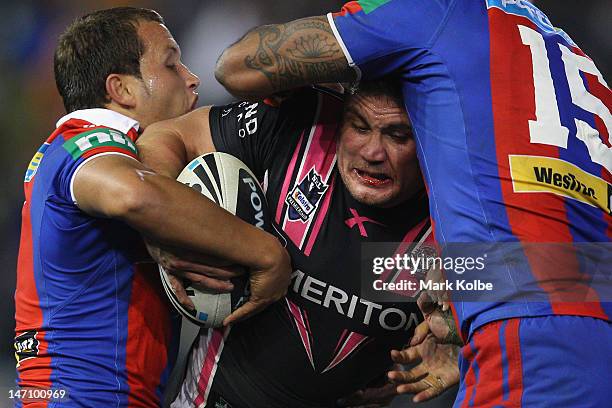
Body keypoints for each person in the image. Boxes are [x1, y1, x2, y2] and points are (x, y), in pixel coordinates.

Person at [213, 1, 612, 406]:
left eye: (398, 135)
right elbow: (585, 267)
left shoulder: (439, 10)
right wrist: (470, 312)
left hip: (529, 348)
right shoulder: (578, 64)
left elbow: (237, 66)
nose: (373, 150)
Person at [14, 7, 290, 407]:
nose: (192, 79)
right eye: (172, 64)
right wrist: (267, 255)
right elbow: (136, 196)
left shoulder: (89, 152)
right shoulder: (77, 145)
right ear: (122, 90)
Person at [138, 79, 459, 408]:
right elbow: (168, 136)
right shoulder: (302, 123)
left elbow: (509, 288)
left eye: (397, 135)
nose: (372, 152)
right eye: (359, 127)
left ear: (429, 141)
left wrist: (466, 345)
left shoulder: (463, 214)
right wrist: (163, 227)